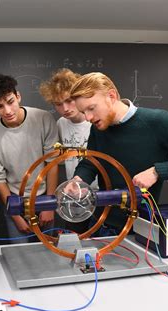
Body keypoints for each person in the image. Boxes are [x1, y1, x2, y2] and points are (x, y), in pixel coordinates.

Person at [69, 72, 168, 234]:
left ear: (111, 96)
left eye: (91, 108)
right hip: (101, 223)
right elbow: (92, 162)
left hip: (140, 231)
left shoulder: (158, 121)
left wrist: (157, 171)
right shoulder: (98, 127)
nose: (88, 117)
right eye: (83, 112)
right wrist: (79, 180)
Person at [0, 74, 59, 242]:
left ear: (18, 96)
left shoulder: (43, 118)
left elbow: (52, 162)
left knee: (49, 254)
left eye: (10, 102)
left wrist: (49, 204)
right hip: (15, 202)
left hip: (45, 197)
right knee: (19, 255)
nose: (7, 111)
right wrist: (16, 215)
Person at [40, 68, 97, 233]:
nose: (65, 108)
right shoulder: (60, 124)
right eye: (58, 104)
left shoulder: (96, 121)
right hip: (74, 197)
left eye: (69, 100)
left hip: (101, 194)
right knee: (75, 242)